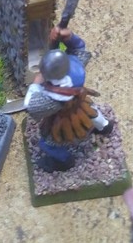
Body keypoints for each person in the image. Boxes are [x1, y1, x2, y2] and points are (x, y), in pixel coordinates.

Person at [23, 26, 113, 172]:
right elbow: (79, 49)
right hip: (81, 103)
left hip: (63, 119)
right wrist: (69, 38)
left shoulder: (52, 100)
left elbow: (29, 105)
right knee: (92, 111)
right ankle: (105, 126)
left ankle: (64, 161)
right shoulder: (74, 68)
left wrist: (36, 83)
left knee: (49, 143)